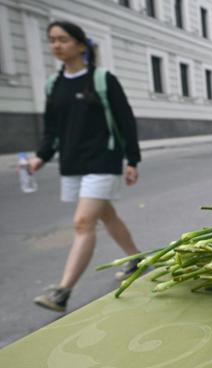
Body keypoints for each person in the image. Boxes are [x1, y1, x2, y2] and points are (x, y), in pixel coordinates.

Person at [28, 21, 143, 312]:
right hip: (72, 163)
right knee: (107, 215)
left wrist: (132, 160)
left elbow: (125, 121)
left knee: (83, 223)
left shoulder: (102, 79)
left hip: (102, 160)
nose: (56, 45)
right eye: (52, 40)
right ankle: (137, 259)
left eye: (63, 39)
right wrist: (41, 156)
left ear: (81, 45)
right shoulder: (53, 85)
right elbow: (52, 128)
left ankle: (62, 291)